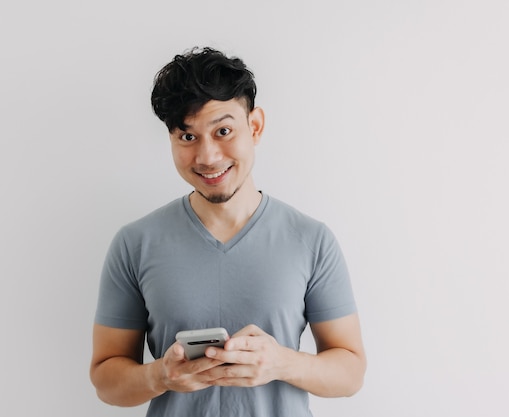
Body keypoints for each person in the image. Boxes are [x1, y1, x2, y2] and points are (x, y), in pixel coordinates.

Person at [89, 46, 366, 417]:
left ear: (254, 127)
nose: (207, 157)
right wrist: (161, 376)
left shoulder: (311, 239)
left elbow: (351, 373)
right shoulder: (135, 243)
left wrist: (282, 363)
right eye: (187, 137)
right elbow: (106, 381)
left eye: (223, 131)